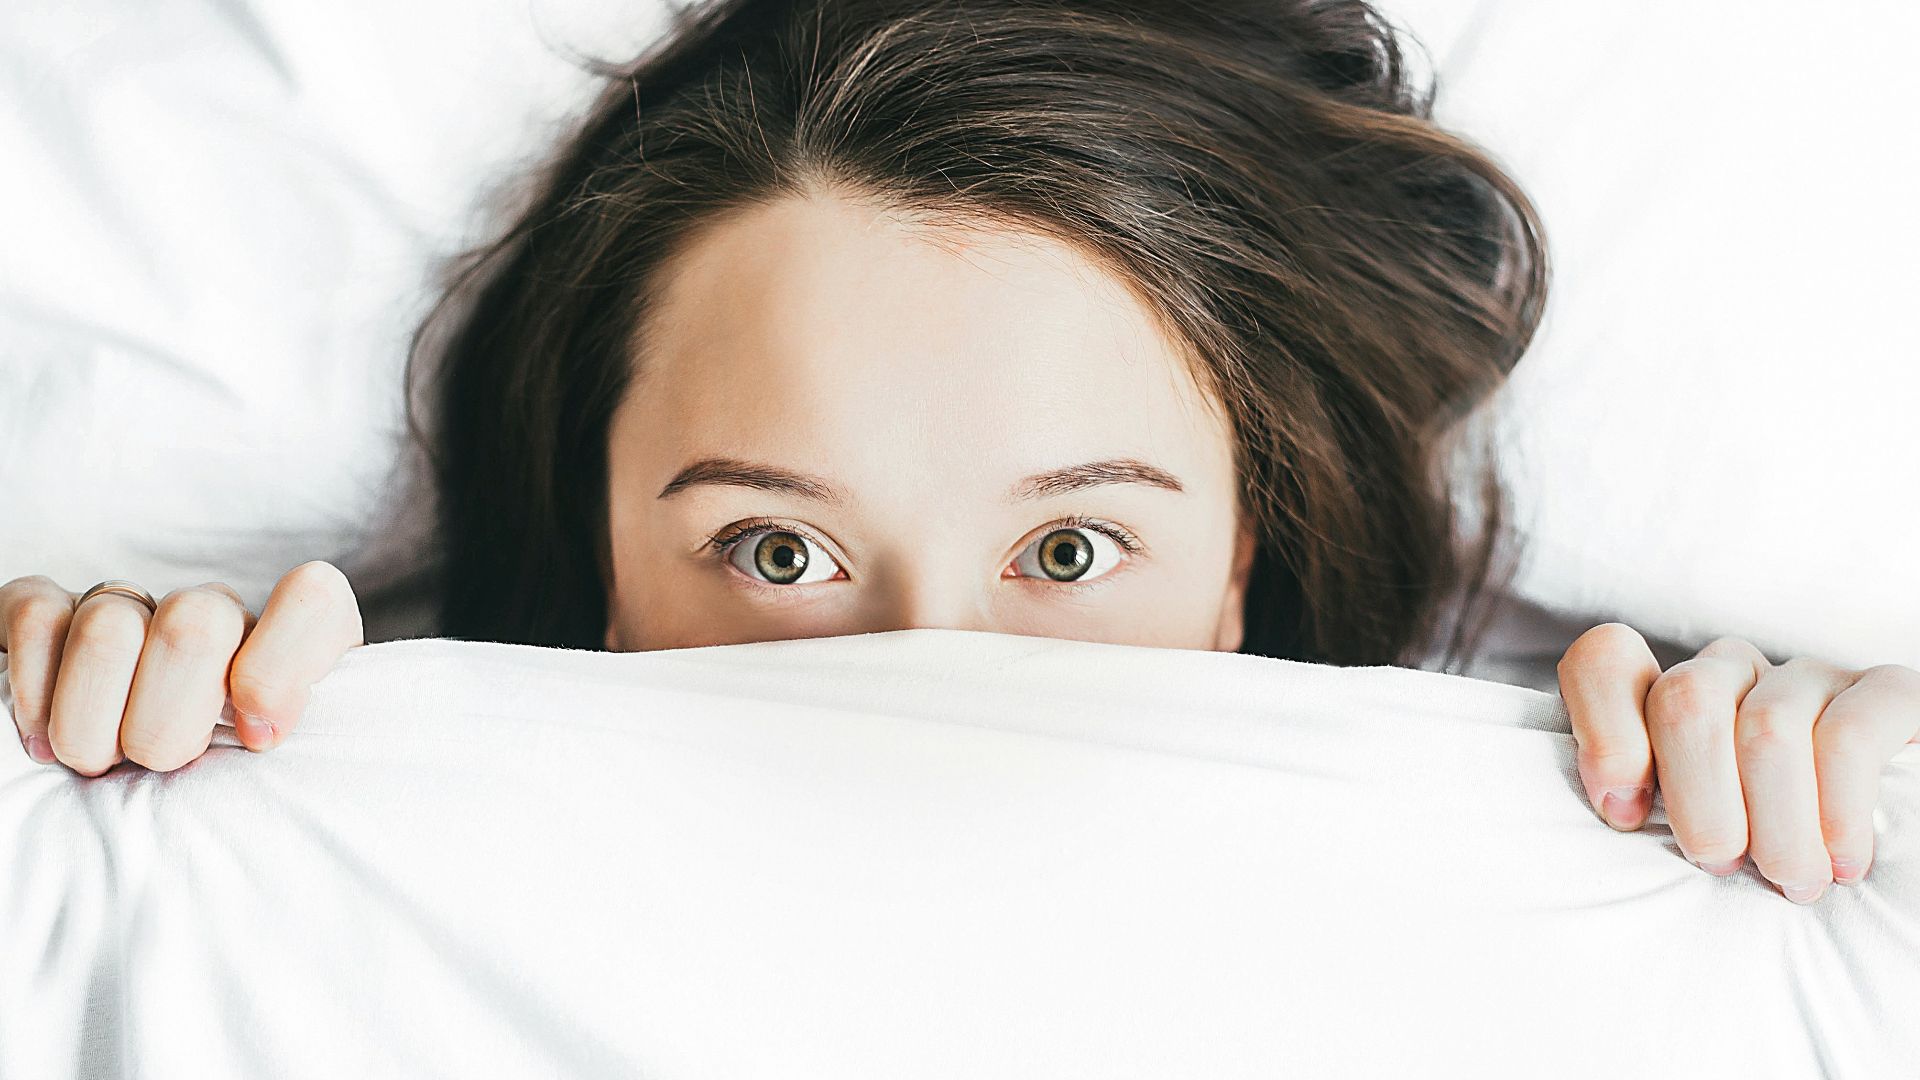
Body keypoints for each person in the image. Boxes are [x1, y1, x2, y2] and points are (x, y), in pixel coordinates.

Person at [2, 0, 1914, 907]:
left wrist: (1833, 798)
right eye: (775, 550)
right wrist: (96, 741)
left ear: (1252, 553)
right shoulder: (313, 851)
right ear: (590, 556)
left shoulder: (1594, 863)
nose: (926, 683)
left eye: (1072, 552)